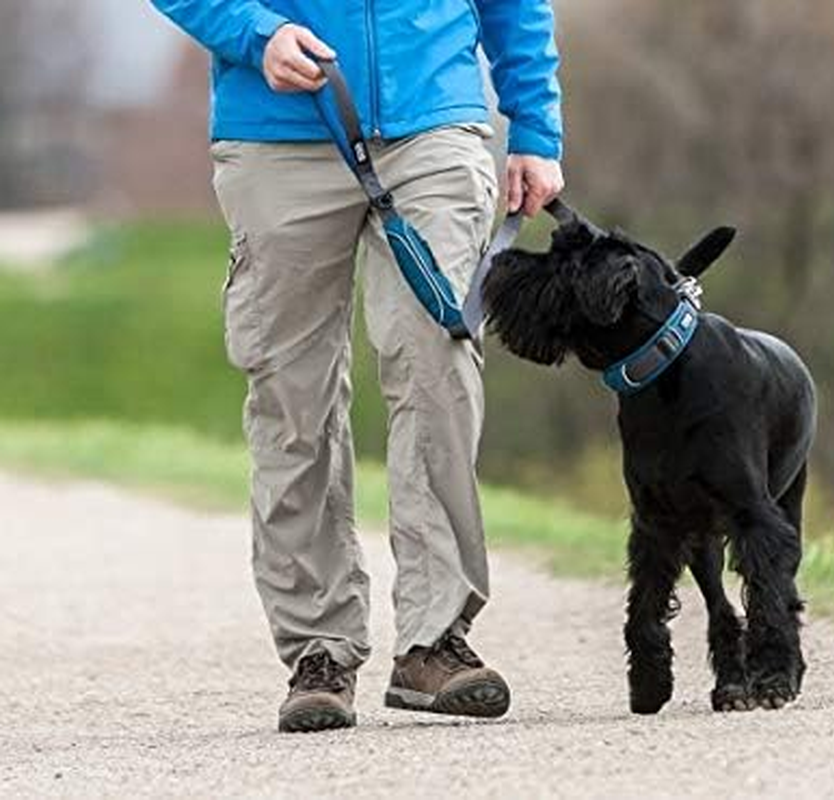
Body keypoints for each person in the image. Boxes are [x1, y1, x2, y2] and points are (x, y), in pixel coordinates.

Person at [150, 0, 564, 732]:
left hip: (434, 124)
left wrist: (533, 125)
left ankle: (434, 640)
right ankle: (319, 648)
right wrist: (257, 34)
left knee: (438, 371)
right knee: (292, 398)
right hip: (277, 130)